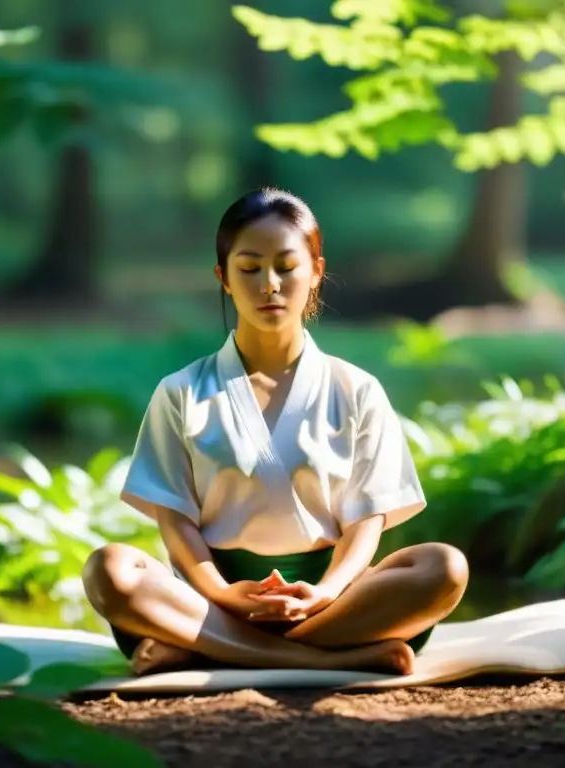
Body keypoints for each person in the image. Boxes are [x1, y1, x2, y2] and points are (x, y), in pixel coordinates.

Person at [82, 187, 469, 677]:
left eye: (286, 266)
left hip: (332, 605)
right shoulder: (180, 392)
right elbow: (175, 522)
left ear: (316, 272)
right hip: (211, 603)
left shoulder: (357, 390)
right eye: (249, 268)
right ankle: (313, 659)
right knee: (111, 570)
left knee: (444, 567)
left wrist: (326, 592)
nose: (269, 284)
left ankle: (215, 652)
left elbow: (366, 521)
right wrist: (222, 593)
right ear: (223, 277)